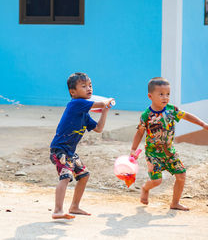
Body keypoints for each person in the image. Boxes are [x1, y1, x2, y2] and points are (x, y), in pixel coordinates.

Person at [130, 77, 208, 211]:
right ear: (150, 96)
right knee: (156, 181)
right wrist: (133, 150)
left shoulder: (171, 110)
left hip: (169, 152)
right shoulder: (146, 115)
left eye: (168, 94)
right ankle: (145, 188)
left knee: (181, 175)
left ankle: (175, 203)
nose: (165, 97)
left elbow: (186, 116)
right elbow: (139, 132)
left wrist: (202, 124)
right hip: (153, 153)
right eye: (161, 94)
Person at [50, 72, 114, 219]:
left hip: (70, 152)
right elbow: (100, 103)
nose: (89, 89)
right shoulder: (76, 104)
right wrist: (107, 101)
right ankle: (57, 210)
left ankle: (74, 206)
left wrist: (105, 112)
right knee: (65, 176)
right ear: (73, 92)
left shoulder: (84, 114)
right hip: (60, 150)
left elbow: (98, 129)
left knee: (84, 175)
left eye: (90, 86)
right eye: (84, 86)